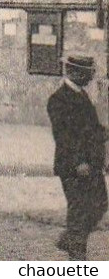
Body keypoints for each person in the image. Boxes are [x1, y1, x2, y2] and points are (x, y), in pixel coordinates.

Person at [48, 54, 107, 260]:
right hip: (74, 166)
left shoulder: (82, 95)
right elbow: (64, 137)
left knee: (100, 203)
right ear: (73, 72)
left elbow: (91, 129)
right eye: (87, 73)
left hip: (92, 163)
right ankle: (76, 254)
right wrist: (78, 162)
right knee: (79, 207)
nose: (91, 77)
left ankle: (70, 239)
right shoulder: (58, 100)